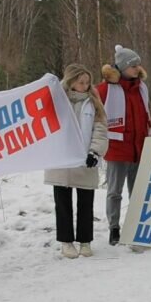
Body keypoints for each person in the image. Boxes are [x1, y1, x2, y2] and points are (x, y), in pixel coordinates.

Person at [44, 64, 109, 258]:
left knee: (85, 203)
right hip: (61, 161)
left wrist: (95, 152)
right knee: (62, 203)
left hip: (85, 160)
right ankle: (66, 241)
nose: (85, 85)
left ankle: (85, 240)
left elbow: (100, 129)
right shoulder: (56, 100)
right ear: (71, 82)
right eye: (81, 82)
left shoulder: (93, 102)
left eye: (88, 82)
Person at [99, 44, 151, 246]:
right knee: (115, 191)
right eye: (133, 65)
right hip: (117, 148)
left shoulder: (141, 87)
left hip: (139, 147)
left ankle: (136, 225)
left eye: (138, 65)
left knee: (137, 190)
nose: (137, 68)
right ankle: (114, 227)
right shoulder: (106, 89)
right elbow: (97, 114)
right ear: (122, 67)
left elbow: (146, 113)